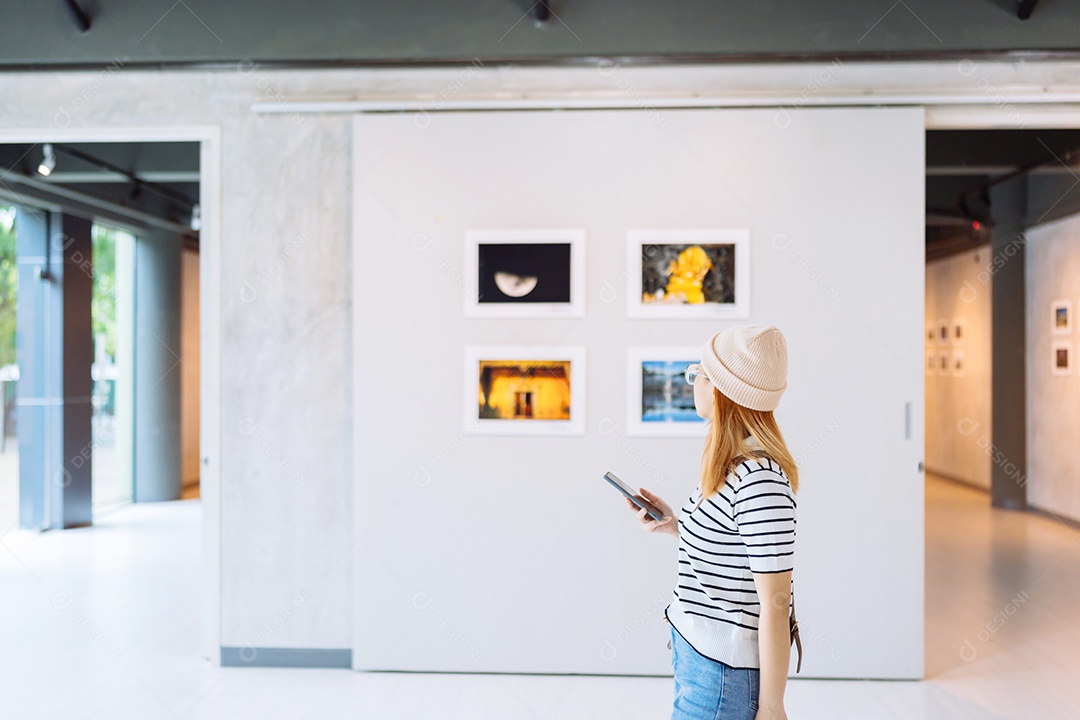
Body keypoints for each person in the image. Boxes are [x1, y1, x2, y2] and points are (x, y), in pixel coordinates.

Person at [625, 325, 799, 720]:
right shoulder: (731, 464)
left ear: (720, 389)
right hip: (699, 659)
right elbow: (731, 552)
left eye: (698, 373)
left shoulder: (760, 480)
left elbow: (775, 603)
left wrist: (772, 707)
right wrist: (673, 523)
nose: (693, 381)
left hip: (721, 677)